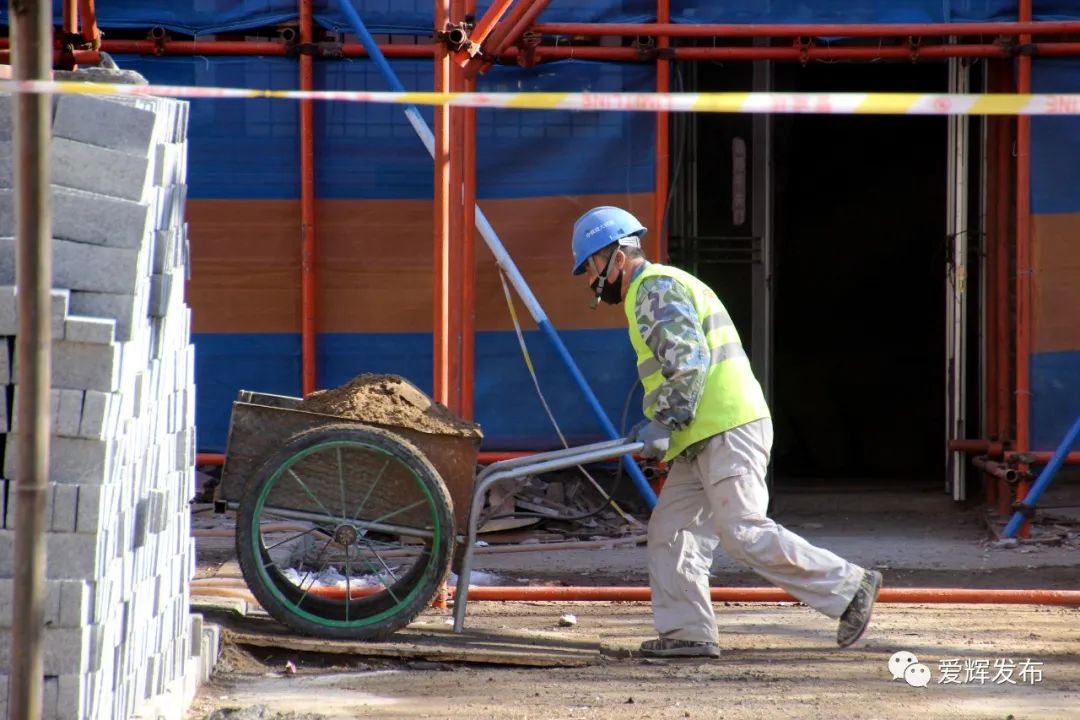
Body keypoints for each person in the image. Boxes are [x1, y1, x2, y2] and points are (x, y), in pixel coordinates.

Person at [570, 206, 882, 658]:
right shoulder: (655, 289)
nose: (591, 280)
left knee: (743, 532)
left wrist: (666, 420)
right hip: (699, 437)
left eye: (592, 266)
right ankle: (687, 634)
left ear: (616, 256)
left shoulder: (653, 289)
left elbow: (689, 361)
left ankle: (850, 586)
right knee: (671, 533)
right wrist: (666, 427)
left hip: (726, 427)